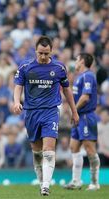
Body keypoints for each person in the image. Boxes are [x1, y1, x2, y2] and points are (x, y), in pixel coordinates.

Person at [13, 36, 79, 196]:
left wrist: (74, 110)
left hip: (50, 112)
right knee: (36, 152)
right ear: (35, 50)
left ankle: (45, 186)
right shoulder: (25, 67)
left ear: (51, 51)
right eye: (41, 53)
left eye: (46, 53)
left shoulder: (59, 68)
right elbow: (18, 86)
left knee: (48, 150)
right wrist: (16, 102)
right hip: (31, 113)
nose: (43, 56)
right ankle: (42, 181)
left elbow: (67, 90)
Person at [64, 53, 100, 191]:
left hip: (85, 116)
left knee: (90, 149)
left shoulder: (88, 76)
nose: (75, 62)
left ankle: (94, 182)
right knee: (74, 147)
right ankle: (76, 181)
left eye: (77, 59)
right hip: (79, 116)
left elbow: (85, 97)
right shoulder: (80, 77)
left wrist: (74, 110)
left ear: (83, 61)